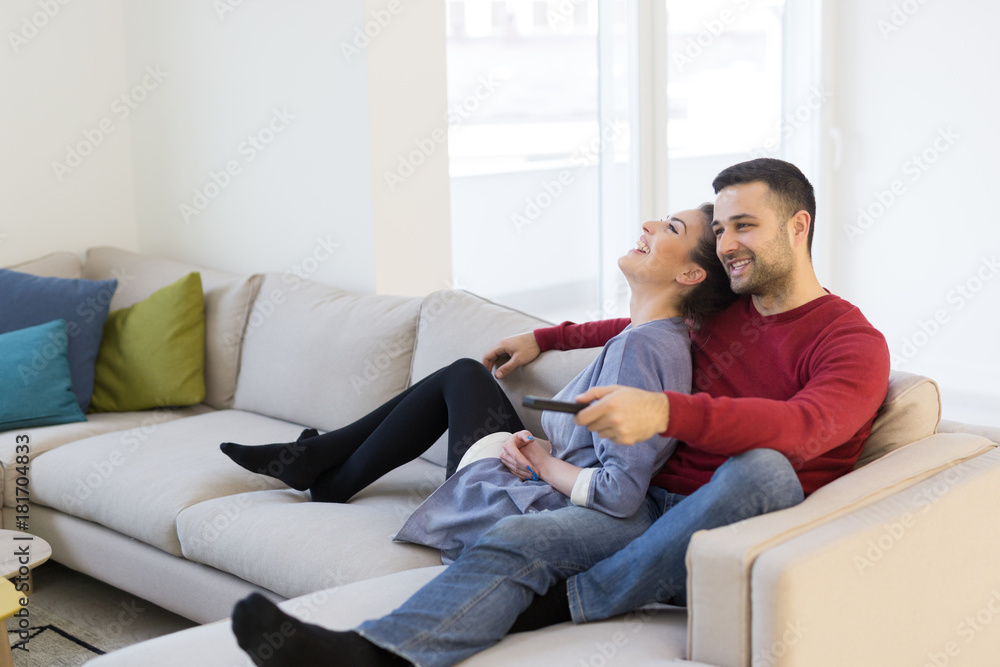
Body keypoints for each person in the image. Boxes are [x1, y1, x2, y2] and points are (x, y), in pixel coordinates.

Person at [228, 158, 890, 667]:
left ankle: (583, 598)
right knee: (517, 539)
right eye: (719, 230)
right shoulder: (727, 313)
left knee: (765, 470)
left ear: (799, 226)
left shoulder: (851, 340)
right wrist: (548, 336)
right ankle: (375, 654)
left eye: (745, 226)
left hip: (725, 528)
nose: (727, 245)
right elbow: (642, 323)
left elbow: (808, 429)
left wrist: (665, 410)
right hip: (648, 506)